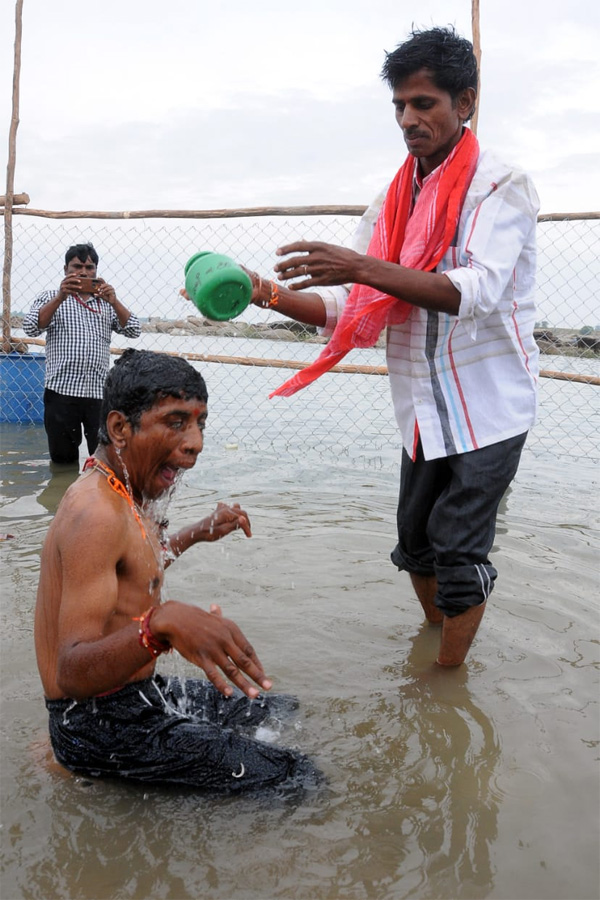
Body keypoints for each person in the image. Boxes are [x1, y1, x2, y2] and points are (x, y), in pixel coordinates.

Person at [244, 26, 539, 667]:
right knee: (414, 541)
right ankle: (436, 639)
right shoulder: (392, 200)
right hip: (423, 412)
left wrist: (361, 266)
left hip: (490, 409)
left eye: (424, 103)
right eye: (400, 107)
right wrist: (263, 293)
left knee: (458, 549)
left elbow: (478, 289)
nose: (408, 119)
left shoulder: (500, 186)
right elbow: (352, 312)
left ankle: (442, 683)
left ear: (465, 102)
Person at [34, 348, 317, 791]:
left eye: (199, 423)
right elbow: (70, 673)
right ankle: (65, 759)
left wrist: (199, 532)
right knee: (296, 777)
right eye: (176, 421)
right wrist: (159, 626)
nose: (195, 443)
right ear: (120, 428)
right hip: (95, 725)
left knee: (276, 708)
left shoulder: (121, 489)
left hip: (138, 694)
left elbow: (135, 569)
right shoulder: (95, 514)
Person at [22, 242, 141, 465]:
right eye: (77, 266)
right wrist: (60, 298)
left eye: (90, 267)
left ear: (96, 270)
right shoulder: (51, 297)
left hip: (98, 393)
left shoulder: (106, 302)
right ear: (66, 270)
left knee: (106, 460)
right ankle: (62, 497)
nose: (84, 272)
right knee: (63, 461)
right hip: (61, 392)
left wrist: (114, 302)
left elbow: (134, 329)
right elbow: (31, 327)